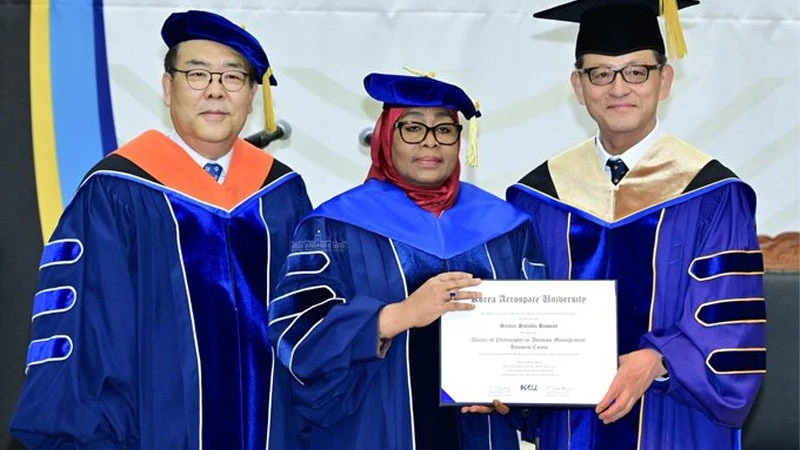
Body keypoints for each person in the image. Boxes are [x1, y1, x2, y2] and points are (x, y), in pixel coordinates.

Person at [11, 10, 311, 450]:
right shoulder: (116, 190)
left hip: (273, 433)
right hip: (153, 431)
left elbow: (305, 325)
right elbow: (89, 333)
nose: (215, 90)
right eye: (196, 74)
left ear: (251, 95)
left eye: (233, 77)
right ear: (168, 88)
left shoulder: (282, 194)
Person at [506, 1, 766, 449]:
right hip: (572, 425)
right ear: (578, 86)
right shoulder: (539, 196)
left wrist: (658, 360)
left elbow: (729, 322)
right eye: (600, 73)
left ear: (664, 81)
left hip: (674, 418)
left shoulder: (713, 194)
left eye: (636, 72)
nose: (618, 88)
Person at [267, 72, 544, 450]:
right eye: (412, 128)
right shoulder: (333, 225)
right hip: (374, 430)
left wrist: (518, 394)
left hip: (481, 435)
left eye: (444, 130)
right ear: (385, 137)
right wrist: (397, 316)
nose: (430, 142)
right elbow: (295, 333)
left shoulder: (505, 226)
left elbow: (536, 333)